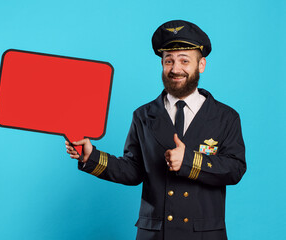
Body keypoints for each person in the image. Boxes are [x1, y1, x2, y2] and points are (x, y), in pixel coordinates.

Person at [65, 20, 246, 240]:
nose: (175, 69)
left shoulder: (225, 117)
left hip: (203, 235)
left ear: (201, 65)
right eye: (168, 61)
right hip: (155, 234)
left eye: (184, 61)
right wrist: (91, 156)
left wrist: (189, 160)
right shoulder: (143, 115)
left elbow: (235, 169)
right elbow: (133, 170)